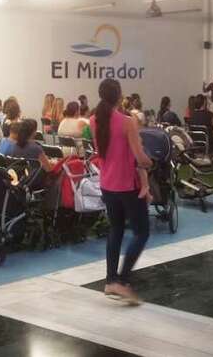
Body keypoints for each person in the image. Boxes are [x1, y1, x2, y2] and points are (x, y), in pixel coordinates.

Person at [91, 79, 152, 305]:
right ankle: (123, 281)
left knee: (115, 229)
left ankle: (111, 280)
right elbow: (140, 158)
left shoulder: (94, 120)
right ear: (119, 96)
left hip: (107, 184)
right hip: (127, 185)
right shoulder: (128, 122)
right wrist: (151, 163)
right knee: (141, 232)